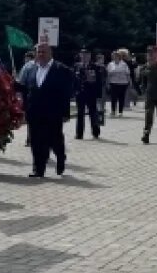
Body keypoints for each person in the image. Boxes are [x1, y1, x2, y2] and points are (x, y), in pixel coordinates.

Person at [17, 42, 73, 177]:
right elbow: (26, 90)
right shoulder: (31, 69)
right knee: (36, 141)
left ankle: (60, 157)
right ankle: (38, 169)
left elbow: (66, 93)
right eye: (39, 52)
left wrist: (65, 112)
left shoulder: (61, 69)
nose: (41, 54)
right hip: (34, 112)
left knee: (55, 140)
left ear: (50, 53)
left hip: (53, 113)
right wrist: (14, 85)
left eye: (43, 52)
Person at [73, 49, 103, 140]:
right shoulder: (76, 66)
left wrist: (99, 95)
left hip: (91, 93)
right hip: (80, 93)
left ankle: (95, 132)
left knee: (93, 113)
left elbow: (98, 81)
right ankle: (79, 134)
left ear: (90, 56)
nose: (84, 57)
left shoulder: (95, 67)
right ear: (80, 55)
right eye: (82, 55)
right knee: (80, 113)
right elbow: (74, 79)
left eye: (86, 55)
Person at [106, 50, 132, 117]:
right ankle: (113, 111)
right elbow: (108, 74)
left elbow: (128, 74)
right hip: (113, 83)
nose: (115, 57)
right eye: (114, 56)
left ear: (119, 57)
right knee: (113, 98)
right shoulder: (110, 64)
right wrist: (108, 83)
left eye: (116, 56)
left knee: (121, 98)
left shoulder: (124, 64)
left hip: (123, 83)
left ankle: (120, 112)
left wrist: (129, 82)